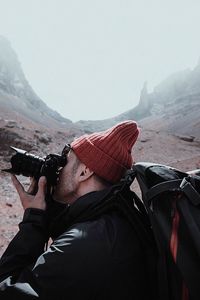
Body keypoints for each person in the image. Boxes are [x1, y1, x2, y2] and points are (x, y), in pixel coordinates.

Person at [0, 120, 156, 300]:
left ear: (84, 172)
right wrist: (50, 213)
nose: (59, 169)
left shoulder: (86, 242)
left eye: (65, 161)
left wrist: (33, 222)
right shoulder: (116, 221)